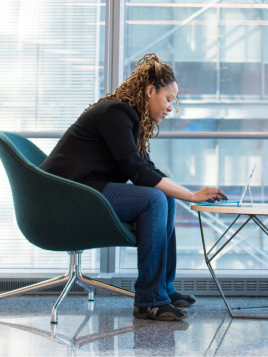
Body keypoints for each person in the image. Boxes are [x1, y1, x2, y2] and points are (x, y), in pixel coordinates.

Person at [40, 53, 226, 322]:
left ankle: (163, 289)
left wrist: (188, 193)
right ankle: (150, 300)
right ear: (150, 90)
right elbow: (138, 174)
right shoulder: (116, 112)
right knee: (154, 199)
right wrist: (191, 196)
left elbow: (146, 170)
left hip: (84, 190)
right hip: (66, 195)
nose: (171, 108)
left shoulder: (127, 116)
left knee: (163, 197)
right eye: (169, 99)